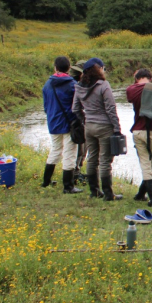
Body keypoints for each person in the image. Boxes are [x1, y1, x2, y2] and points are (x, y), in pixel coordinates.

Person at [72, 57, 123, 201]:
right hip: (104, 126)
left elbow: (75, 108)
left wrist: (84, 120)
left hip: (89, 126)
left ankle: (94, 191)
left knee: (92, 158)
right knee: (105, 160)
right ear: (99, 69)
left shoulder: (79, 86)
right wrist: (117, 128)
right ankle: (108, 194)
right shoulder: (103, 85)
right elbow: (111, 108)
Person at [40, 56, 83, 194]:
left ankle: (46, 181)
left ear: (55, 67)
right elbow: (77, 106)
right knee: (70, 153)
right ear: (69, 68)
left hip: (53, 123)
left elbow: (46, 107)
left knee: (55, 150)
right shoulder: (72, 85)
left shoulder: (47, 85)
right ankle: (68, 187)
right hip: (69, 124)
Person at [126, 68, 152, 207]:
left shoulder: (131, 89)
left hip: (137, 130)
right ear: (150, 78)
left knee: (145, 163)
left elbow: (131, 99)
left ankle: (141, 194)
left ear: (136, 78)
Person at [69, 60, 88, 182]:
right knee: (80, 148)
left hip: (76, 120)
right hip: (76, 121)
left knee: (81, 148)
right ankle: (75, 173)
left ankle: (76, 171)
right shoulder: (75, 86)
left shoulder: (75, 84)